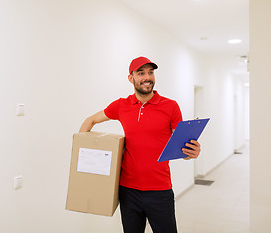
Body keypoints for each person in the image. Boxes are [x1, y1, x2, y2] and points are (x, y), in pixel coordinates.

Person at [79, 56, 201, 233]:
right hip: (128, 191)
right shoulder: (121, 105)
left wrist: (192, 153)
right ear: (131, 78)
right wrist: (82, 154)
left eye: (151, 72)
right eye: (141, 73)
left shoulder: (171, 106)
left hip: (160, 191)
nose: (147, 77)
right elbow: (90, 121)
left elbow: (182, 148)